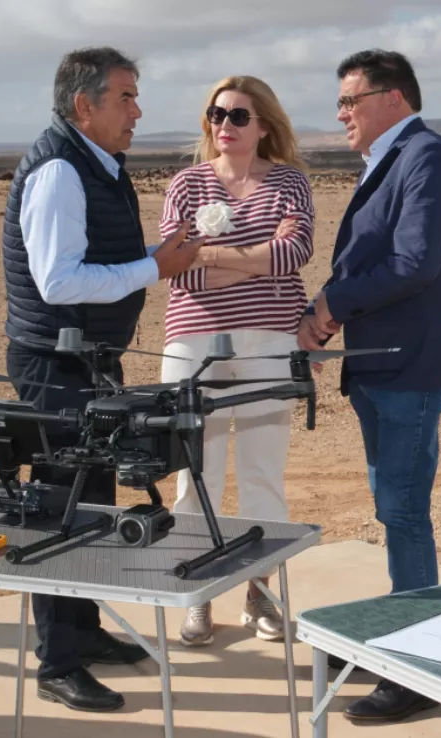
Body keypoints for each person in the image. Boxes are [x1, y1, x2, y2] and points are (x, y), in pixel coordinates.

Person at [1, 46, 203, 712]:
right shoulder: (61, 170)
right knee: (61, 506)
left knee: (91, 498)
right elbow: (58, 281)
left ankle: (83, 632)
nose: (137, 111)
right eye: (125, 97)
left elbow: (96, 259)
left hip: (84, 361)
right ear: (83, 105)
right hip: (54, 364)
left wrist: (158, 256)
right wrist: (155, 269)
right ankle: (57, 662)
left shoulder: (94, 163)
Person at [298, 49, 441, 722]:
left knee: (404, 512)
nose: (341, 114)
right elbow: (373, 259)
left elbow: (414, 262)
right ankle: (403, 633)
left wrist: (331, 304)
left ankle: (417, 670)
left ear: (394, 99)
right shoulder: (391, 159)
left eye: (350, 101)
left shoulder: (428, 157)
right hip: (380, 363)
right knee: (393, 507)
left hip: (410, 364)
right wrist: (326, 308)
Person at [157, 75, 315, 647]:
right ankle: (196, 589)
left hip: (269, 342)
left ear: (264, 125)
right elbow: (178, 268)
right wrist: (255, 260)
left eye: (239, 115)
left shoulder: (289, 181)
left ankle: (258, 591)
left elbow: (294, 252)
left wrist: (217, 254)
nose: (224, 124)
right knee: (192, 473)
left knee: (261, 473)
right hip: (194, 342)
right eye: (216, 113)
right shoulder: (186, 184)